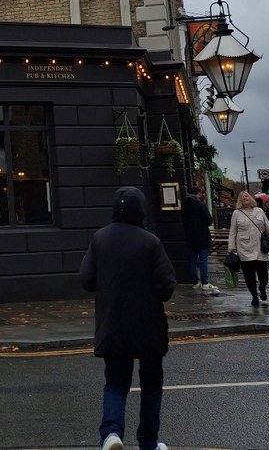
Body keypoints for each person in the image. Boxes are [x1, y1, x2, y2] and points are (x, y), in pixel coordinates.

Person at [80, 186, 175, 450]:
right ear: (141, 210)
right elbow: (166, 286)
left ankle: (111, 434)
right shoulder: (151, 241)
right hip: (148, 326)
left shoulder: (100, 239)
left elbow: (86, 280)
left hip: (113, 324)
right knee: (151, 385)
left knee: (115, 383)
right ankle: (149, 442)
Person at [228, 191, 269, 307]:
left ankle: (262, 288)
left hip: (260, 247)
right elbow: (232, 232)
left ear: (250, 198)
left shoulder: (259, 211)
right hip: (244, 247)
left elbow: (268, 227)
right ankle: (254, 296)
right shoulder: (236, 213)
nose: (244, 198)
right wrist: (231, 247)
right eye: (242, 197)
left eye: (246, 196)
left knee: (263, 274)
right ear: (239, 201)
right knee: (249, 275)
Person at [180, 185, 218, 294]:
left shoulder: (184, 205)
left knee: (192, 260)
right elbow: (209, 220)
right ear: (198, 193)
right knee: (203, 260)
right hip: (202, 236)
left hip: (190, 237)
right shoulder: (200, 205)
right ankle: (205, 283)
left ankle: (195, 282)